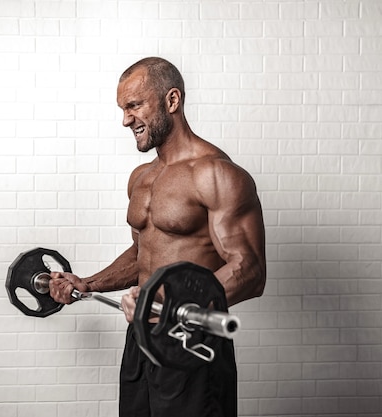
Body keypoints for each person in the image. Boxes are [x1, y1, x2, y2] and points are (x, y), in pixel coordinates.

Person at [49, 57, 266, 417]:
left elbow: (250, 271)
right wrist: (87, 284)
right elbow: (142, 254)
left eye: (134, 105)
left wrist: (169, 307)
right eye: (122, 109)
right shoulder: (141, 178)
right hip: (141, 339)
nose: (125, 119)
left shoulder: (216, 173)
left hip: (193, 342)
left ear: (172, 101)